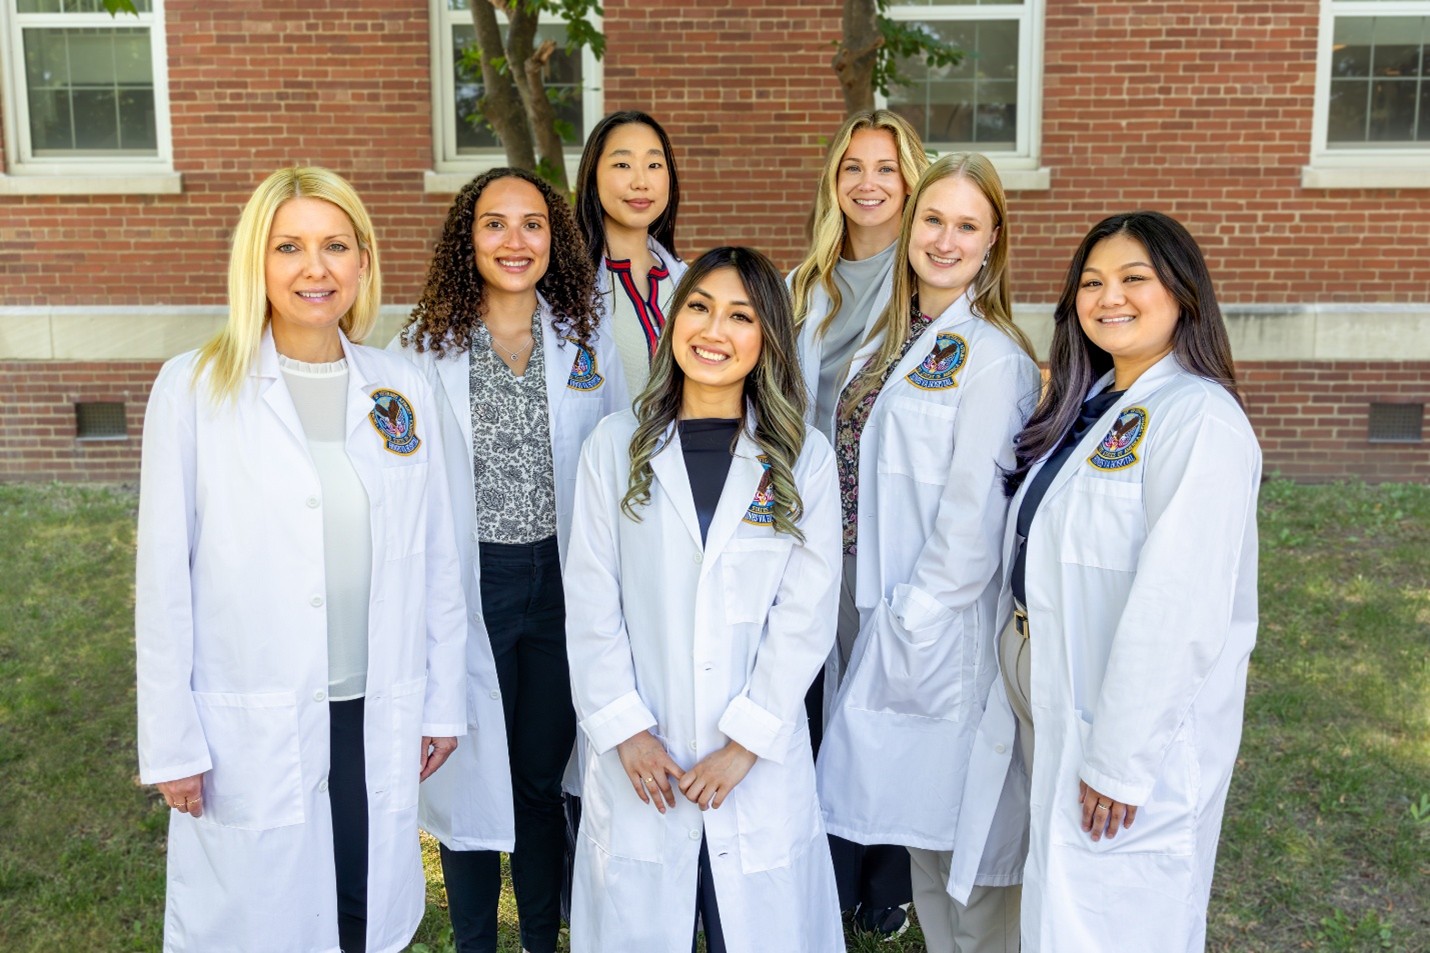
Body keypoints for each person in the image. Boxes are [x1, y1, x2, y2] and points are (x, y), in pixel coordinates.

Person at [135, 166, 467, 953]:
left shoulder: (402, 386)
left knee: (360, 905)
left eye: (334, 246)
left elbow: (436, 558)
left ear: (362, 262)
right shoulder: (192, 389)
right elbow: (162, 584)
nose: (314, 269)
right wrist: (173, 740)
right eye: (289, 247)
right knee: (263, 918)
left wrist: (442, 700)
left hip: (372, 704)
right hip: (251, 715)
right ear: (257, 262)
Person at [952, 211, 1261, 951]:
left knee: (1115, 916)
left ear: (1183, 294)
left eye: (1133, 279)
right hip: (1049, 681)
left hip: (1121, 725)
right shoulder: (1095, 406)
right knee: (1060, 898)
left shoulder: (1199, 421)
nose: (1107, 297)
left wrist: (1120, 763)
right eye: (1091, 282)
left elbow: (1178, 612)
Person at [564, 247, 845, 952]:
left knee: (754, 927)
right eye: (699, 306)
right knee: (640, 924)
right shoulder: (614, 446)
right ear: (672, 320)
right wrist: (625, 727)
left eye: (741, 315)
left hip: (751, 763)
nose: (714, 329)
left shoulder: (800, 456)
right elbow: (591, 600)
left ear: (767, 339)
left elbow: (805, 616)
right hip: (641, 757)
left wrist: (746, 741)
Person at [392, 167, 626, 953]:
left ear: (554, 238)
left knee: (536, 774)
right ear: (469, 239)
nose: (515, 240)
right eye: (495, 223)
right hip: (472, 586)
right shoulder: (422, 352)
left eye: (533, 223)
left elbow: (620, 455)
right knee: (467, 777)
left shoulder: (585, 339)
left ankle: (538, 937)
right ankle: (472, 942)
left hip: (562, 587)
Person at [813, 153, 1040, 953]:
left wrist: (913, 617)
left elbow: (972, 520)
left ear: (993, 242)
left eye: (967, 225)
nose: (946, 239)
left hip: (939, 631)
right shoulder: (891, 335)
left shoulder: (994, 356)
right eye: (934, 219)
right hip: (876, 607)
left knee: (963, 838)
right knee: (913, 828)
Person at [787, 107, 929, 936]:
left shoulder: (929, 284)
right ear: (834, 183)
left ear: (909, 180)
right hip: (814, 530)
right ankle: (830, 870)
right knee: (825, 698)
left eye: (886, 168)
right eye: (853, 168)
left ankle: (887, 877)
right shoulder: (808, 283)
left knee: (886, 698)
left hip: (891, 533)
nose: (869, 183)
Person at [575, 109, 688, 399]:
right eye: (623, 164)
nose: (641, 182)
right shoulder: (562, 286)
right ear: (592, 175)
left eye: (654, 164)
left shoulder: (689, 283)